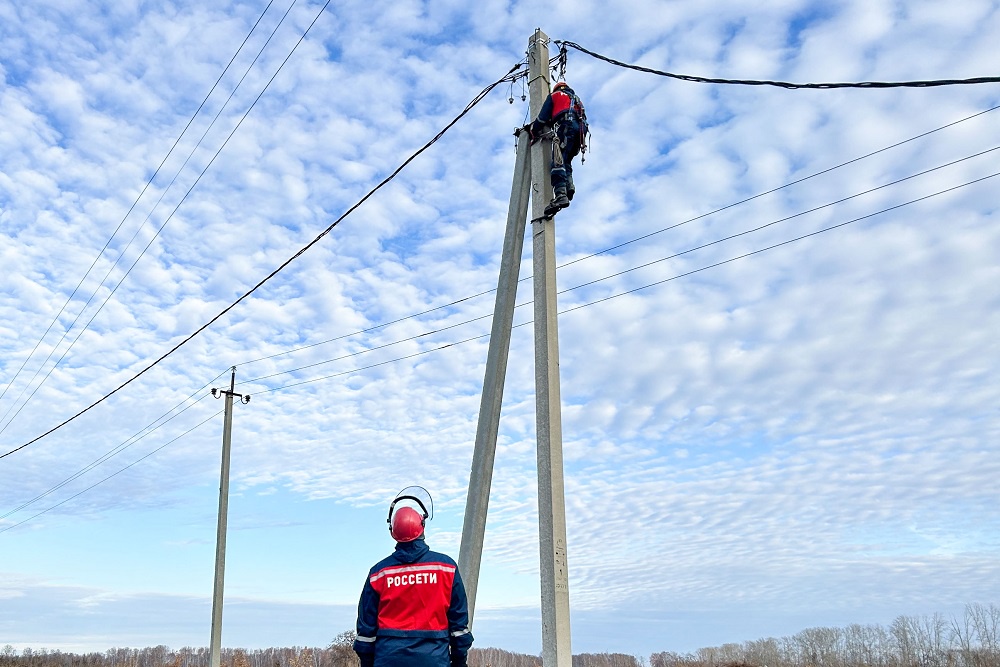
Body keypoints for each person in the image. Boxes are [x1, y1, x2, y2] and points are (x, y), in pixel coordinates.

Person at [353, 490, 473, 667]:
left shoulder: (378, 573)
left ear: (392, 531)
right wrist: (459, 661)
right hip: (434, 660)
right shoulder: (446, 568)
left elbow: (365, 632)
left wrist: (368, 662)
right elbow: (459, 626)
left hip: (388, 660)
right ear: (422, 526)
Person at [529, 80, 588, 217]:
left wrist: (533, 130)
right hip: (580, 134)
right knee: (566, 160)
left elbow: (542, 118)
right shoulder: (576, 99)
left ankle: (561, 194)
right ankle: (569, 187)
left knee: (557, 160)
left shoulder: (555, 95)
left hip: (567, 127)